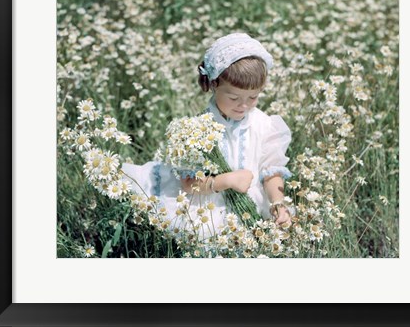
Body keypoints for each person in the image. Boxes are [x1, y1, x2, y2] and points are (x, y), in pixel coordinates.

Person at [122, 33, 292, 236]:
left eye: (253, 97)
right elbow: (189, 184)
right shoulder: (197, 130)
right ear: (214, 85)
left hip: (253, 202)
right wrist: (226, 181)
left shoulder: (264, 125)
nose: (244, 105)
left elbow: (271, 172)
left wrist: (277, 204)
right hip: (209, 204)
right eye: (234, 97)